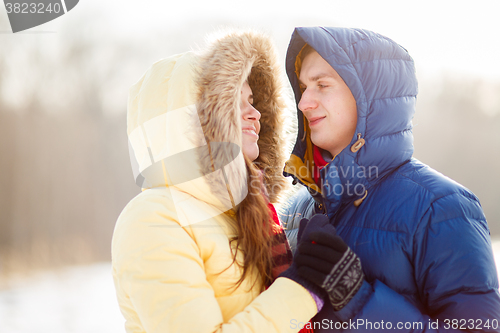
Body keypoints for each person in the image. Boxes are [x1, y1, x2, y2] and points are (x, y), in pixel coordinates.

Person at [280, 27, 500, 332]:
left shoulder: (441, 208)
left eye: (322, 84)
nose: (304, 103)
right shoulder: (295, 210)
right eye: (303, 87)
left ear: (368, 95)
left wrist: (358, 299)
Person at [111, 30, 333, 333]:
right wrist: (302, 287)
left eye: (252, 100)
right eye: (233, 102)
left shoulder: (251, 216)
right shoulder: (153, 219)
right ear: (192, 121)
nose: (254, 114)